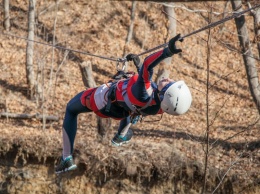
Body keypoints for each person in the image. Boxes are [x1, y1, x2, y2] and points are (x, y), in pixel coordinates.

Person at [55, 34, 192, 174]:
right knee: (131, 108)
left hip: (101, 100)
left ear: (164, 95)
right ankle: (120, 136)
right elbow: (145, 80)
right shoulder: (159, 106)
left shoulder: (144, 93)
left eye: (170, 84)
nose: (169, 79)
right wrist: (138, 67)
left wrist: (167, 52)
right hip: (121, 109)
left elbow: (147, 66)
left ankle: (66, 158)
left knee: (71, 109)